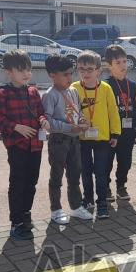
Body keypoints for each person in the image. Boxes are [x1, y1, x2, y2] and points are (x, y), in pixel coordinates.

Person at [0, 50, 49, 240]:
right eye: (21, 70)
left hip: (36, 145)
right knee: (18, 182)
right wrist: (17, 127)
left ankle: (26, 213)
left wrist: (43, 121)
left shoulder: (33, 91)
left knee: (32, 181)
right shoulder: (3, 93)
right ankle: (16, 221)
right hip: (17, 146)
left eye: (28, 69)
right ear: (9, 72)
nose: (26, 73)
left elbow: (41, 112)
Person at [42, 55, 93, 225]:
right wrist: (70, 127)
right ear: (52, 75)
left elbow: (79, 112)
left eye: (71, 73)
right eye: (65, 74)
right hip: (58, 140)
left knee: (75, 174)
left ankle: (76, 206)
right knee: (56, 175)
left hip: (74, 140)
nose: (70, 78)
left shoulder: (73, 91)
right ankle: (56, 210)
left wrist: (83, 121)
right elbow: (48, 122)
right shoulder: (50, 95)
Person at [72, 51, 121, 219]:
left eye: (90, 69)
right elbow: (70, 112)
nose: (85, 73)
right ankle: (88, 200)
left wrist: (115, 133)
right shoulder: (74, 88)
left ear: (98, 71)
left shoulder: (106, 88)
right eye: (81, 69)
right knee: (85, 172)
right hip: (82, 139)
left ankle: (102, 203)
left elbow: (113, 112)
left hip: (102, 139)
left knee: (101, 173)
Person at [104, 44, 136, 202]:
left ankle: (121, 186)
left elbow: (135, 107)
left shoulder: (132, 85)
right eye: (118, 62)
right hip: (110, 133)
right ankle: (105, 187)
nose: (122, 65)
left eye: (124, 61)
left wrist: (134, 127)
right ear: (109, 65)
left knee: (125, 161)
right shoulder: (105, 86)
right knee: (107, 162)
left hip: (128, 131)